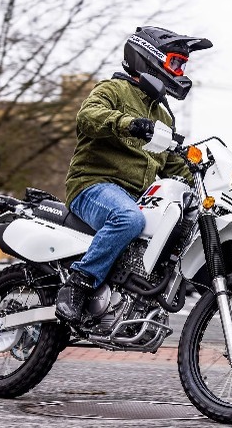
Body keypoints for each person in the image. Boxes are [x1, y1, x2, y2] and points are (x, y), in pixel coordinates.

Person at [55, 26, 213, 325]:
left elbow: (171, 166)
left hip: (135, 197)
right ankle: (78, 284)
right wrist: (130, 123)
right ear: (149, 58)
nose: (180, 71)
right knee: (129, 219)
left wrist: (202, 177)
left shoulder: (164, 116)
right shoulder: (113, 90)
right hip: (93, 185)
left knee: (181, 220)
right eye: (176, 63)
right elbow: (87, 118)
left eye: (182, 65)